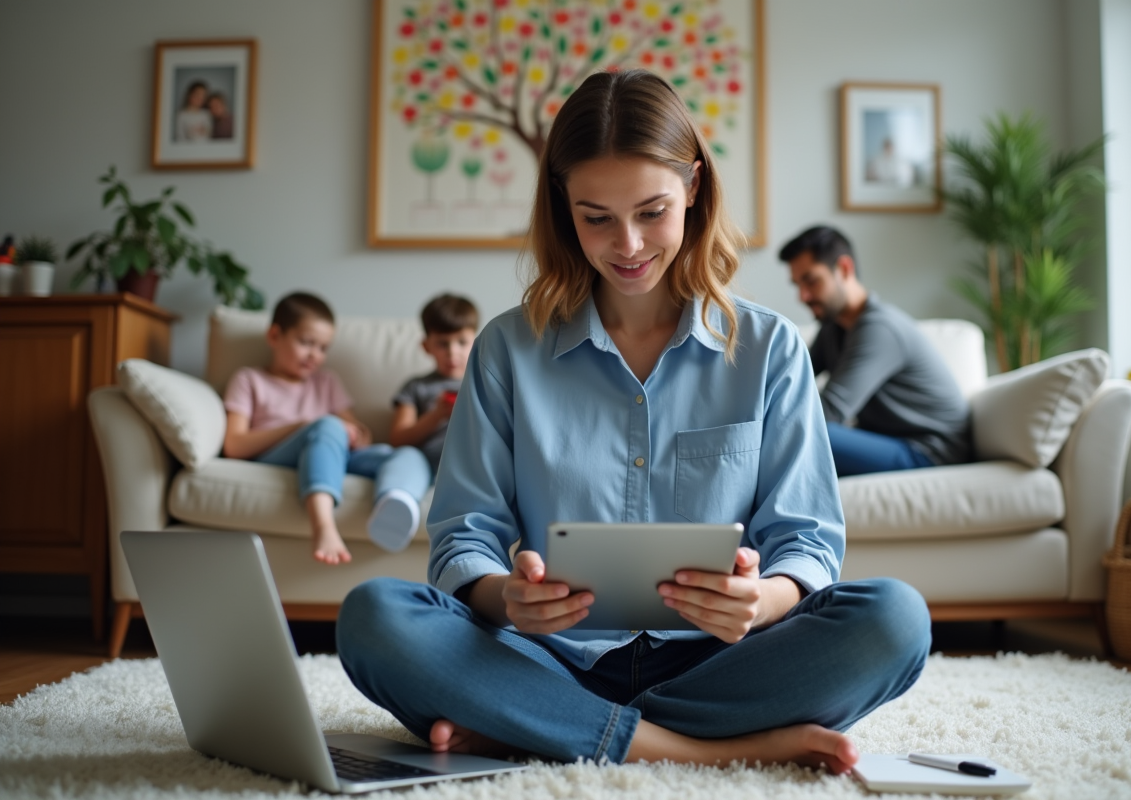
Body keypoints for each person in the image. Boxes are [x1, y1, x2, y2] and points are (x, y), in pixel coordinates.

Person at [336, 70, 930, 772]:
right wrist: (509, 599)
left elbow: (805, 540)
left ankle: (538, 726)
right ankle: (705, 750)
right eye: (597, 218)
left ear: (694, 187)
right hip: (549, 657)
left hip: (721, 661)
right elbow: (465, 534)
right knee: (375, 617)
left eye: (652, 212)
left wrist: (761, 601)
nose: (627, 244)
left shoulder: (770, 348)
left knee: (895, 620)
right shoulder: (506, 348)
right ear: (563, 207)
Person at [222, 292, 419, 565]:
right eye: (306, 343)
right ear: (275, 336)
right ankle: (324, 526)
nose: (315, 355)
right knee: (327, 425)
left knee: (409, 453)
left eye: (323, 348)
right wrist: (300, 427)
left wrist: (358, 435)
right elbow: (234, 445)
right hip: (281, 455)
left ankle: (395, 500)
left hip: (331, 452)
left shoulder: (326, 382)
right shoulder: (250, 379)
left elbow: (355, 428)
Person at [778, 225, 970, 476]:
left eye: (811, 281)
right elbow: (792, 378)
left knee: (806, 433)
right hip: (890, 440)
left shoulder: (879, 329)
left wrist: (767, 426)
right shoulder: (833, 327)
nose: (802, 296)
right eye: (797, 285)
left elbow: (830, 410)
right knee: (793, 431)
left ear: (844, 269)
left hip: (931, 450)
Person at [370, 294, 479, 551]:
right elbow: (398, 438)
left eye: (461, 342)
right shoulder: (416, 387)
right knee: (405, 457)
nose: (452, 352)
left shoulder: (483, 381)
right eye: (443, 343)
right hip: (425, 461)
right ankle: (398, 501)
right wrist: (436, 415)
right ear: (426, 346)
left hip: (468, 460)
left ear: (475, 341)